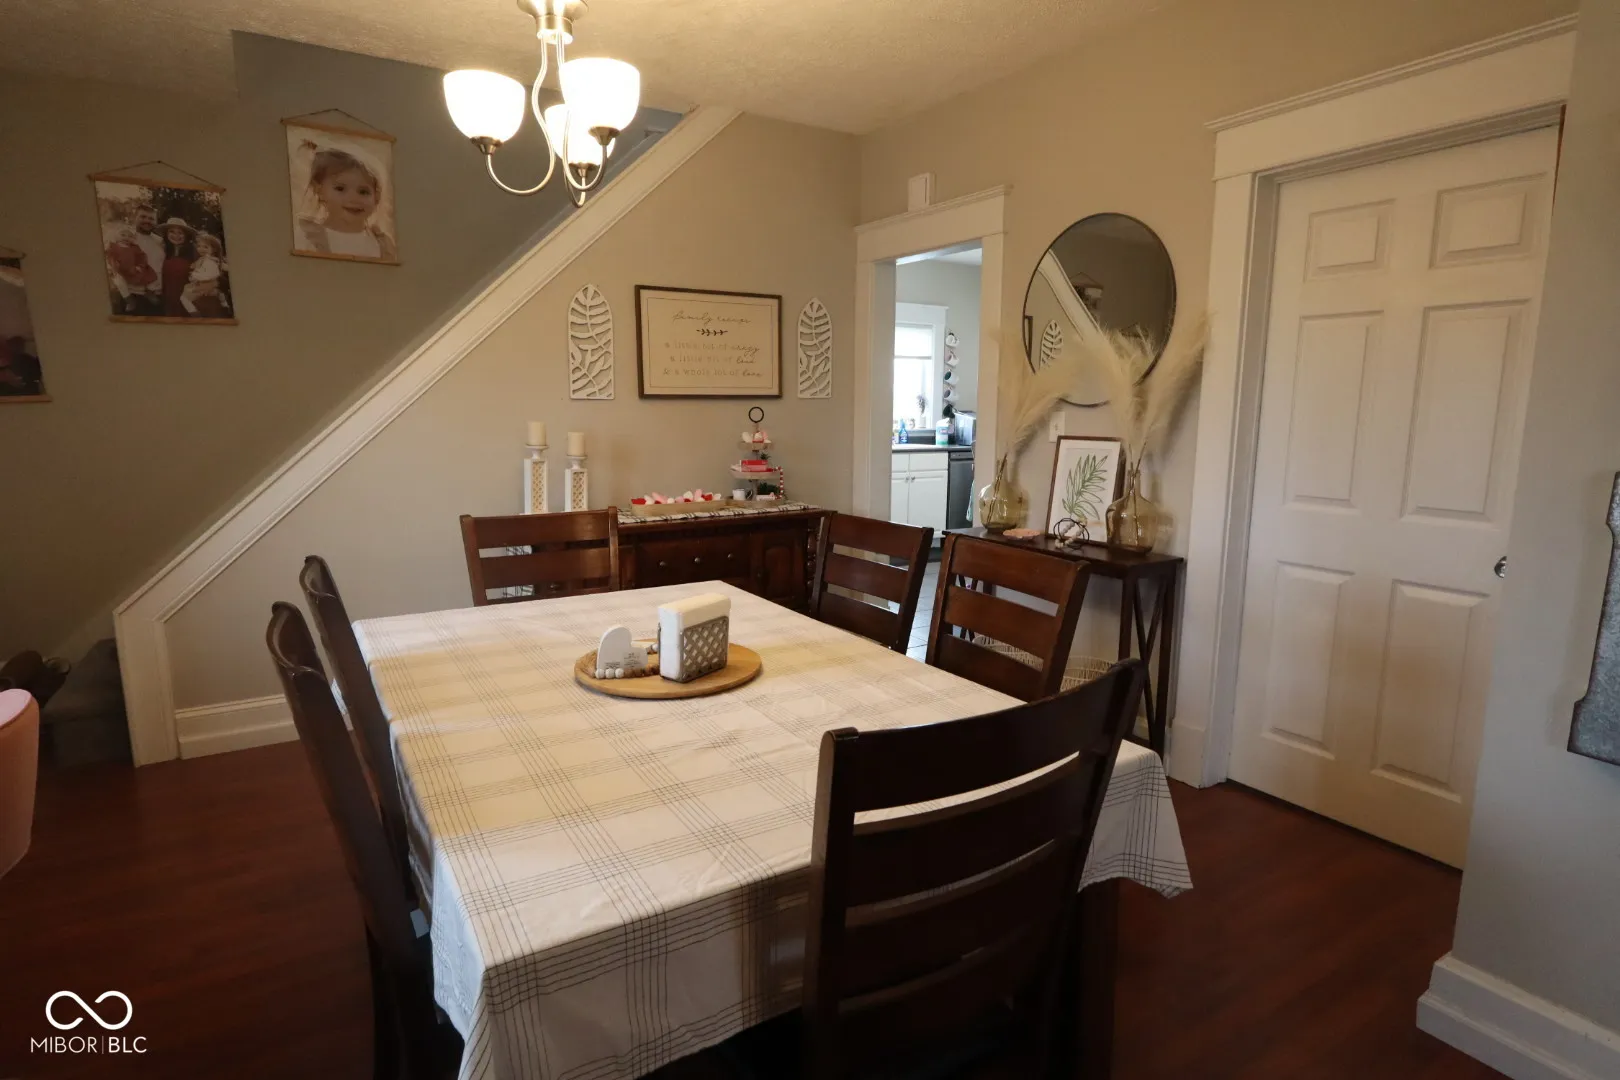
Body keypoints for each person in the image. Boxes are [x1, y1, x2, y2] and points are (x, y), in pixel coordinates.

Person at [295, 145, 397, 260]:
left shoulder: (384, 245)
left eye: (363, 192)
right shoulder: (308, 237)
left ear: (376, 197)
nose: (354, 198)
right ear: (319, 191)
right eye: (340, 189)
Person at [104, 203, 165, 316]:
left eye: (151, 218)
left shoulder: (160, 241)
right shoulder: (125, 237)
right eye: (143, 217)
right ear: (135, 217)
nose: (147, 221)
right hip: (133, 295)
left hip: (156, 296)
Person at [181, 232, 230, 319]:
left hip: (206, 285)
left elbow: (209, 275)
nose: (201, 249)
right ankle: (224, 304)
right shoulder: (203, 259)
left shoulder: (212, 261)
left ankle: (194, 313)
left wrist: (194, 275)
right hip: (203, 284)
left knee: (184, 298)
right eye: (199, 246)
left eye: (205, 247)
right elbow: (199, 268)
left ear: (214, 249)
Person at [157, 217, 195, 318]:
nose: (176, 236)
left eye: (180, 233)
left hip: (188, 300)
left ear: (186, 235)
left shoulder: (194, 252)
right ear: (166, 233)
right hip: (167, 299)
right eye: (172, 231)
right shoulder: (163, 251)